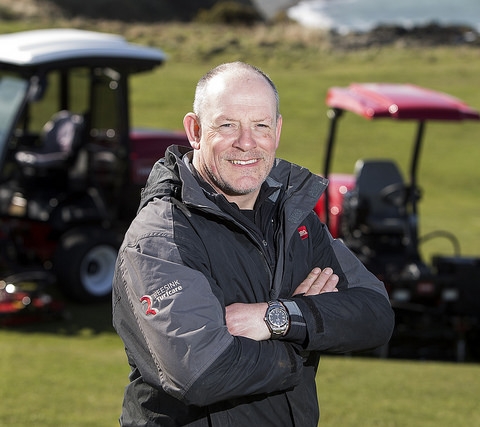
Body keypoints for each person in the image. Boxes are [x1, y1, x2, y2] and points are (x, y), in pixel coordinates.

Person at [112, 61, 394, 426]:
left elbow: (376, 314)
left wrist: (277, 318)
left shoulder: (295, 220)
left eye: (260, 126)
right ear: (195, 130)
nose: (246, 142)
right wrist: (305, 342)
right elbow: (202, 371)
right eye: (227, 125)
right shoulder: (161, 236)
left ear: (277, 131)